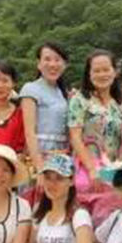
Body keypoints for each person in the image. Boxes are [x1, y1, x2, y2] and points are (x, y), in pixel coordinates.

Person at [68, 49, 122, 227]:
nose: (102, 74)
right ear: (89, 74)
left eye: (106, 69)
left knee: (109, 221)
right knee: (83, 220)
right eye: (97, 70)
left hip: (111, 171)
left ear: (115, 72)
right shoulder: (80, 100)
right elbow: (75, 137)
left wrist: (120, 169)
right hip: (87, 170)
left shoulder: (119, 105)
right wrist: (92, 169)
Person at [20, 42, 71, 176]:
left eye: (57, 60)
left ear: (64, 65)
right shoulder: (31, 89)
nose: (52, 64)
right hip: (39, 153)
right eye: (47, 59)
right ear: (39, 64)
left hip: (61, 156)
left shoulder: (64, 93)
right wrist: (39, 165)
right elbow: (29, 131)